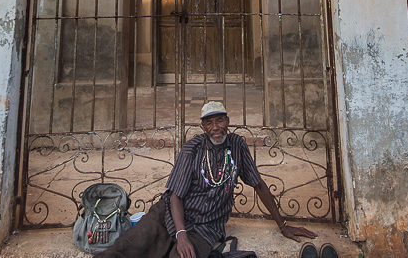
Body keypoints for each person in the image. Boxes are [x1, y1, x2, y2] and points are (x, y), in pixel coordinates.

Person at [97, 101, 316, 258]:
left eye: (220, 121)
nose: (216, 128)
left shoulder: (237, 146)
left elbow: (258, 184)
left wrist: (283, 224)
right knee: (125, 248)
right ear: (203, 127)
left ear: (227, 121)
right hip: (169, 215)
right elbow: (175, 196)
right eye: (209, 123)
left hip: (206, 225)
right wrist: (181, 234)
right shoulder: (192, 149)